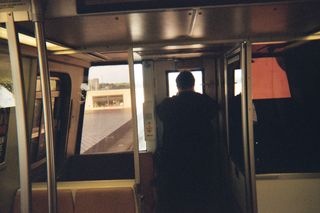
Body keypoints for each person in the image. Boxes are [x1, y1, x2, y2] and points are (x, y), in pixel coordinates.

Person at [155, 71, 219, 213]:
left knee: (178, 198)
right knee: (200, 196)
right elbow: (215, 109)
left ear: (177, 85)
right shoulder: (204, 101)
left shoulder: (168, 105)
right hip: (201, 157)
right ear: (193, 84)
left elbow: (159, 111)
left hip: (175, 160)